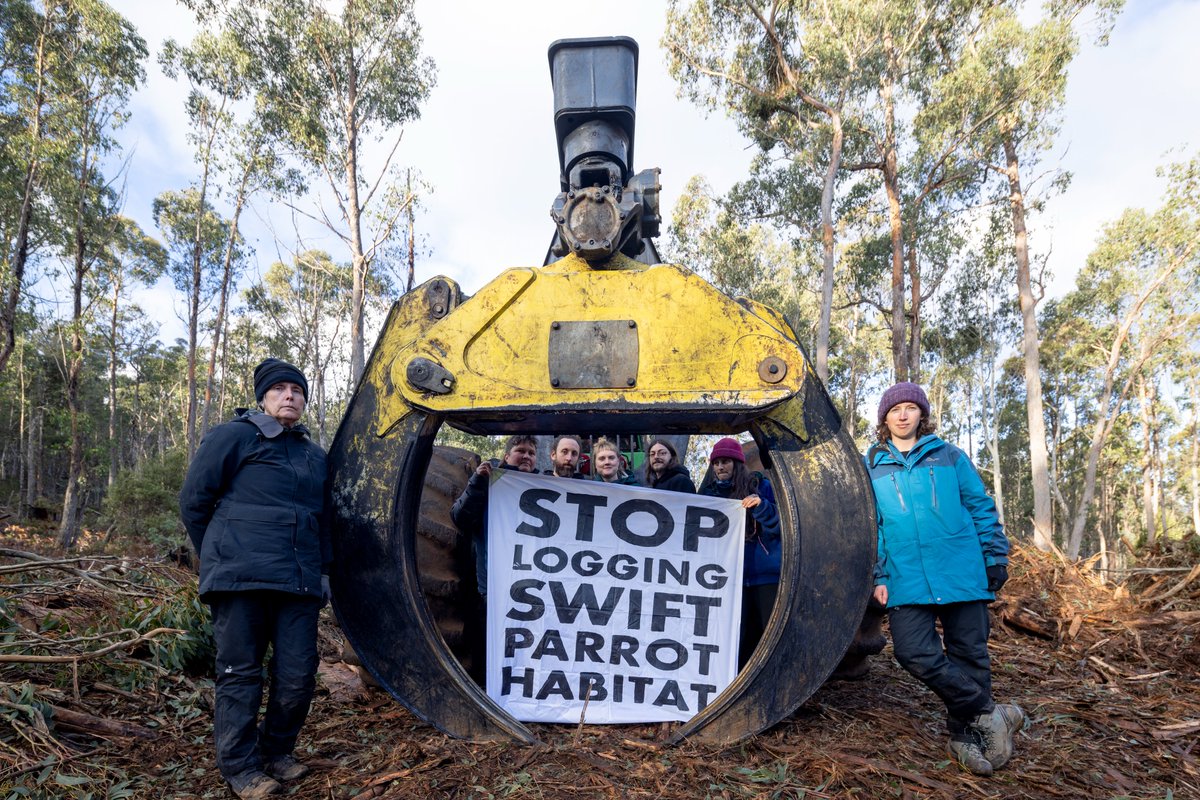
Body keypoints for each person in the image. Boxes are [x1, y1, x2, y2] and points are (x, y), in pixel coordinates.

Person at [179, 358, 330, 799]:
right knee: (240, 673)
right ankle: (241, 768)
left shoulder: (313, 456)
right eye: (280, 389)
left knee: (299, 674)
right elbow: (194, 502)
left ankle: (276, 750)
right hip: (240, 579)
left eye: (297, 390)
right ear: (263, 397)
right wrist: (222, 552)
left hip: (298, 582)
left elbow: (324, 520)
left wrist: (323, 572)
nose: (289, 396)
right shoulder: (233, 437)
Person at [867, 382, 1026, 777]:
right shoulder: (873, 465)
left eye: (910, 407)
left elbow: (979, 506)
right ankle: (990, 713)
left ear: (922, 414)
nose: (903, 415)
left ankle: (964, 738)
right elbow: (873, 527)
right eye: (895, 409)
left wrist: (994, 555)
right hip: (905, 575)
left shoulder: (949, 455)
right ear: (884, 418)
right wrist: (878, 573)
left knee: (969, 654)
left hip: (961, 568)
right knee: (912, 652)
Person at [698, 438, 780, 668]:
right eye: (716, 463)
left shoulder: (761, 486)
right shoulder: (709, 495)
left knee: (769, 635)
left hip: (764, 575)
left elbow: (781, 524)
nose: (720, 467)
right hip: (728, 579)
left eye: (725, 461)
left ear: (737, 463)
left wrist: (762, 507)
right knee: (738, 637)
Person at [450, 434, 539, 599]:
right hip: (493, 587)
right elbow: (460, 518)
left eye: (531, 453)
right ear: (507, 456)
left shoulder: (544, 488)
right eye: (521, 451)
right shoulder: (487, 482)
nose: (526, 456)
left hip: (532, 585)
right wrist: (477, 483)